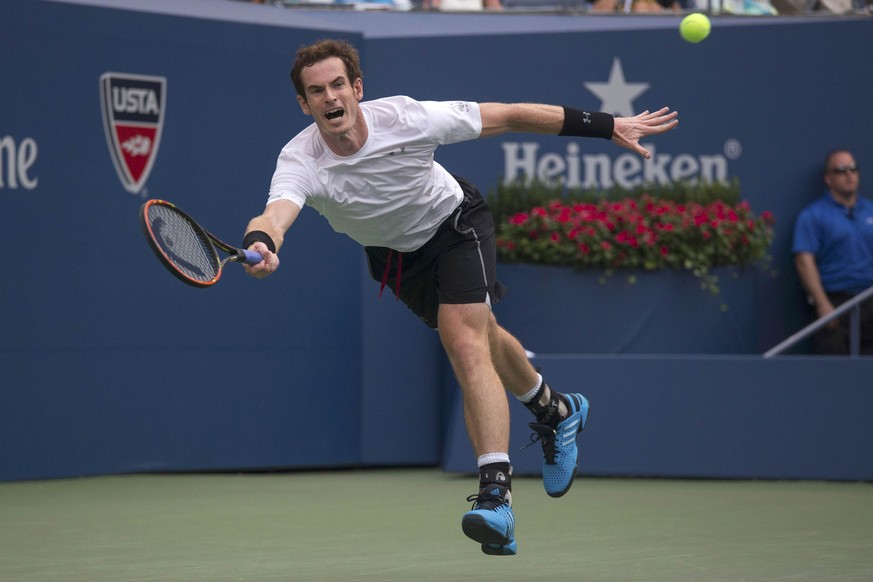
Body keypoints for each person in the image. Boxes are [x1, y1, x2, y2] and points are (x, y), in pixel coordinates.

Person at [242, 39, 678, 556]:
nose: (330, 97)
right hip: (398, 260)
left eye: (339, 85)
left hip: (455, 224)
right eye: (317, 91)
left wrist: (610, 126)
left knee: (464, 340)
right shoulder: (300, 158)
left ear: (357, 89)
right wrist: (262, 243)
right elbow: (274, 214)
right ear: (304, 104)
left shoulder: (408, 119)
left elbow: (512, 115)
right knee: (485, 338)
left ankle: (496, 496)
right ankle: (556, 409)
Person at [793, 148, 873, 355]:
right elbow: (804, 260)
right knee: (835, 372)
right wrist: (822, 304)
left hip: (869, 297)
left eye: (853, 169)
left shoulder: (870, 210)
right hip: (836, 303)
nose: (849, 174)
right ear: (828, 178)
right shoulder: (813, 215)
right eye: (841, 170)